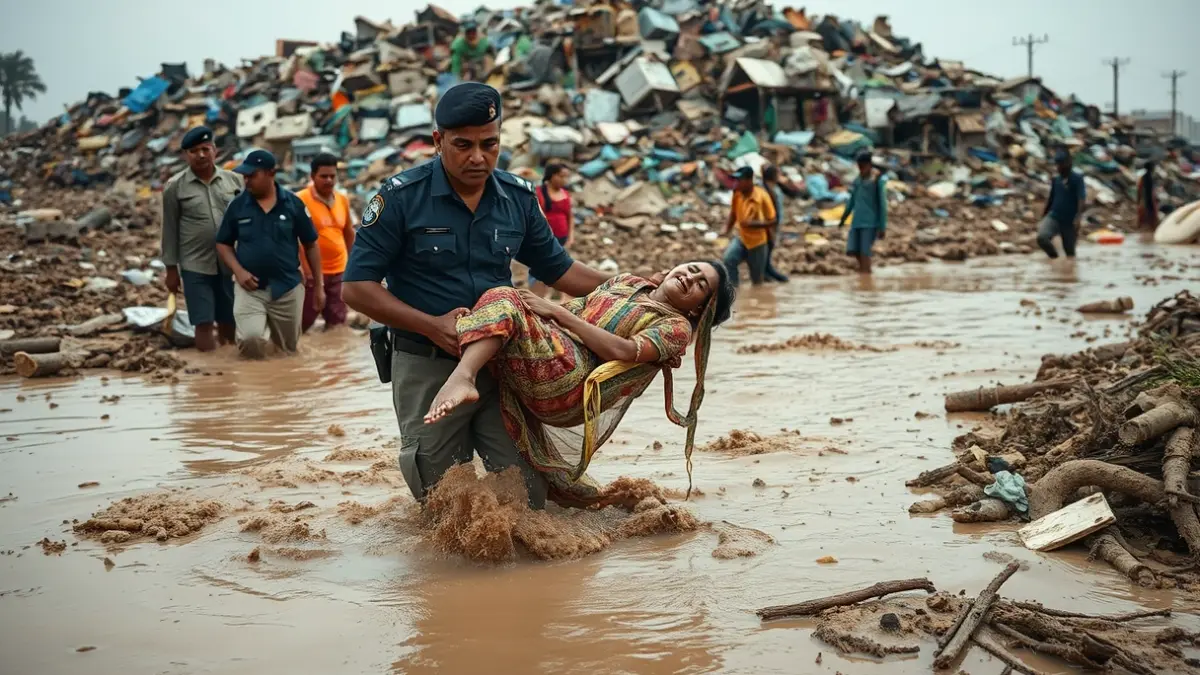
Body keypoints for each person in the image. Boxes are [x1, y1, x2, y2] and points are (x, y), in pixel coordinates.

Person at [342, 82, 611, 509]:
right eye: (463, 145)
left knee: (529, 496)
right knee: (445, 503)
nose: (478, 157)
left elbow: (560, 270)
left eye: (490, 145)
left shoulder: (518, 198)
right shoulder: (399, 198)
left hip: (502, 364)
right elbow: (357, 288)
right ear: (438, 141)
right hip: (425, 365)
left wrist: (637, 286)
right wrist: (432, 326)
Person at [424, 261, 735, 425]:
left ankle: (463, 377)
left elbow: (624, 351)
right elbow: (576, 309)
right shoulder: (626, 282)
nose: (690, 279)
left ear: (698, 309)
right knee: (505, 296)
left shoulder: (676, 327)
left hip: (576, 386)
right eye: (692, 269)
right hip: (558, 355)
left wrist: (556, 312)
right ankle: (465, 363)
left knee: (505, 299)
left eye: (700, 285)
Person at [215, 150, 324, 358]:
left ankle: (280, 387)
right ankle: (256, 387)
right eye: (244, 176)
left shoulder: (294, 204)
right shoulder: (237, 206)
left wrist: (319, 286)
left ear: (270, 173)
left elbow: (311, 244)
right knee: (251, 339)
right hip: (250, 288)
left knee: (288, 351)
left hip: (288, 287)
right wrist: (238, 271)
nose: (246, 180)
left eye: (252, 175)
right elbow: (223, 243)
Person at [160, 126, 244, 351]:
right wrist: (171, 270)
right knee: (203, 322)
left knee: (229, 320)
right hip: (195, 265)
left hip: (229, 264)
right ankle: (209, 374)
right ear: (186, 155)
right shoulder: (174, 187)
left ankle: (229, 370)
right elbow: (169, 230)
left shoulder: (235, 182)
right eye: (194, 151)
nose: (201, 155)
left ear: (215, 150)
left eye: (205, 149)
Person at [297, 153, 355, 332]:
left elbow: (348, 232)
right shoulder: (299, 200)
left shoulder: (342, 200)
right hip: (311, 275)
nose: (329, 180)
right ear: (312, 176)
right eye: (323, 176)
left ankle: (337, 361)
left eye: (332, 176)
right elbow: (295, 239)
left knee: (337, 325)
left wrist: (353, 265)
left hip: (339, 271)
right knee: (301, 325)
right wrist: (305, 271)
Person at [720, 166, 776, 286]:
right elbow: (733, 213)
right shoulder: (737, 194)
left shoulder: (762, 196)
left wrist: (753, 224)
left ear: (749, 180)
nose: (737, 183)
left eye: (740, 180)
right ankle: (733, 291)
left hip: (758, 242)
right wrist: (726, 228)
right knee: (729, 260)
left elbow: (772, 220)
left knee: (756, 279)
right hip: (742, 237)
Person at [528, 163, 573, 298]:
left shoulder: (565, 194)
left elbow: (570, 216)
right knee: (539, 267)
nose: (564, 180)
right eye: (561, 176)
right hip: (543, 238)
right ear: (552, 176)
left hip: (562, 237)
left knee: (561, 267)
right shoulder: (539, 192)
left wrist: (571, 237)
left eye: (566, 177)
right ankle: (535, 298)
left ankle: (557, 298)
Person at [839, 151, 888, 275]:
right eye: (859, 167)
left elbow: (882, 205)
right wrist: (844, 218)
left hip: (870, 223)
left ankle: (866, 275)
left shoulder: (877, 182)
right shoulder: (858, 181)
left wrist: (882, 227)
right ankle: (864, 271)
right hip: (857, 222)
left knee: (864, 251)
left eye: (863, 167)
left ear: (869, 165)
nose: (861, 170)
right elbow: (852, 200)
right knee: (853, 250)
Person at [1036, 150, 1086, 259]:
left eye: (1061, 164)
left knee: (1070, 254)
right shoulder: (1056, 180)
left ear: (1068, 163)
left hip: (1069, 221)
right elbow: (1051, 198)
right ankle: (1054, 258)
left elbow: (1081, 198)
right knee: (1042, 238)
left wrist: (1078, 217)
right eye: (1057, 164)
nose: (1058, 167)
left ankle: (1065, 269)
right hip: (1054, 216)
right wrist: (1044, 215)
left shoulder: (1077, 179)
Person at [761, 164, 789, 283]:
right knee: (766, 246)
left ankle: (766, 270)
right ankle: (765, 271)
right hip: (766, 224)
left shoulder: (774, 189)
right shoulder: (764, 191)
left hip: (774, 223)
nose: (780, 176)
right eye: (778, 174)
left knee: (769, 247)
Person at [1136, 160, 1159, 231]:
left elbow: (1140, 188)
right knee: (1150, 214)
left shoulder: (1145, 177)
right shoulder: (1148, 177)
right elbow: (1143, 189)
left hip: (1146, 198)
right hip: (1148, 198)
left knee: (1146, 214)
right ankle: (1149, 228)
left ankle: (1146, 228)